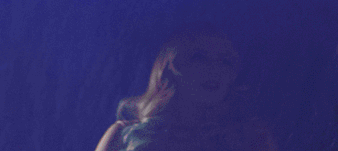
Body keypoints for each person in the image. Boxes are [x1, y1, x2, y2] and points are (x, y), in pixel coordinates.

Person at [94, 26, 278, 151]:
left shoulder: (251, 136)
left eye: (225, 61)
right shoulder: (123, 134)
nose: (214, 69)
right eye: (199, 58)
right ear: (169, 68)